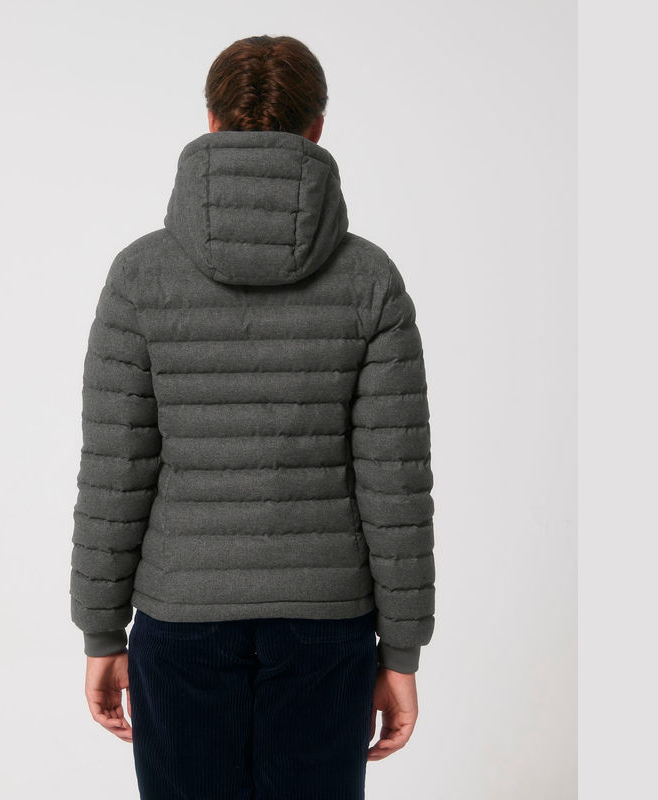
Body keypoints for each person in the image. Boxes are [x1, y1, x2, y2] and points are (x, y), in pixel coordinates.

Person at [69, 34, 436, 800]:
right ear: (317, 128)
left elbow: (115, 473)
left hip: (180, 621)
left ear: (210, 121)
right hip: (327, 627)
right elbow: (395, 487)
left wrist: (102, 631)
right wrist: (401, 653)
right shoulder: (370, 281)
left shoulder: (140, 276)